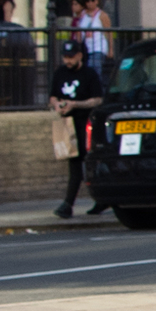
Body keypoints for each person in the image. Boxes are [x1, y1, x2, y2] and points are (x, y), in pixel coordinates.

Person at [50, 40, 107, 219]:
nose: (68, 61)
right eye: (65, 57)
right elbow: (53, 96)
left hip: (85, 122)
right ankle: (69, 204)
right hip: (67, 124)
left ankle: (79, 202)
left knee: (89, 162)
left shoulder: (89, 75)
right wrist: (58, 105)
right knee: (74, 163)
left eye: (71, 57)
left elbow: (97, 99)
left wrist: (76, 104)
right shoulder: (60, 73)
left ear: (80, 56)